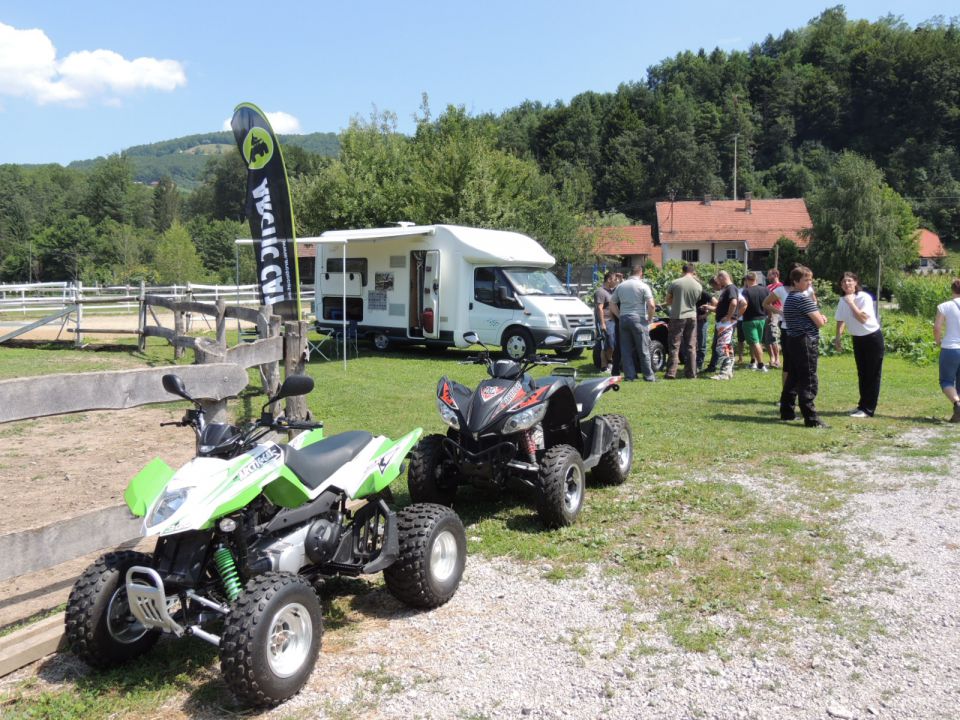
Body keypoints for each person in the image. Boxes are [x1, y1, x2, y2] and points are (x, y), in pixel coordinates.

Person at [780, 266, 828, 428]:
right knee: (808, 378)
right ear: (795, 281)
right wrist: (822, 318)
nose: (809, 283)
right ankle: (811, 418)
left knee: (793, 378)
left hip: (793, 340)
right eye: (806, 280)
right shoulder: (802, 299)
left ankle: (787, 412)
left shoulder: (790, 298)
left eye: (810, 280)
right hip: (805, 341)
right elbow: (820, 322)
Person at [833, 272, 884, 418]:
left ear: (856, 282)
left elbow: (862, 319)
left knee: (872, 375)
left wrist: (851, 302)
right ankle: (862, 406)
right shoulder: (842, 300)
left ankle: (868, 409)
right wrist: (838, 338)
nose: (847, 284)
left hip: (872, 338)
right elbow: (840, 319)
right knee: (862, 374)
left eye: (849, 281)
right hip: (858, 339)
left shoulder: (864, 297)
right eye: (843, 282)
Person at [610, 265, 657, 382]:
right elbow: (651, 305)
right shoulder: (643, 286)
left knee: (625, 350)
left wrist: (620, 316)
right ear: (640, 273)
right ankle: (648, 376)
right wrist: (650, 318)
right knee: (643, 349)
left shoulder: (620, 286)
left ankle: (630, 376)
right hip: (638, 318)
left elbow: (612, 304)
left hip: (624, 319)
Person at [664, 263, 702, 379]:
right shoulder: (698, 285)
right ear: (693, 271)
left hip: (677, 316)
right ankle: (691, 373)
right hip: (692, 316)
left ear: (683, 271)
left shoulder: (676, 283)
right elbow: (697, 300)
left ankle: (671, 372)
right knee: (691, 345)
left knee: (674, 345)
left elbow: (668, 301)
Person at [933, 278, 960, 423]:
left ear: (952, 290)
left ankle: (957, 403)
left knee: (946, 381)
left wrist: (938, 342)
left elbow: (937, 327)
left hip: (950, 348)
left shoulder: (944, 306)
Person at [703, 271, 739, 375]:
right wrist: (712, 308)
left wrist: (728, 316)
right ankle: (727, 371)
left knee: (723, 347)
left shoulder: (731, 288)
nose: (718, 282)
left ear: (722, 277)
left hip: (726, 324)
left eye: (718, 279)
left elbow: (734, 303)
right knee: (726, 346)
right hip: (724, 323)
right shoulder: (727, 289)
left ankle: (725, 373)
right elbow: (723, 307)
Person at [737, 271, 770, 371]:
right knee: (755, 342)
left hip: (749, 320)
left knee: (754, 342)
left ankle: (761, 365)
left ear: (747, 280)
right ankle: (753, 362)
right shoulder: (765, 290)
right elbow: (769, 304)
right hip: (762, 319)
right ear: (756, 279)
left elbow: (744, 304)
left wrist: (737, 315)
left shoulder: (746, 291)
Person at [594, 272, 618, 372]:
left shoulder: (610, 291)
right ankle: (608, 363)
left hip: (612, 321)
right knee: (608, 344)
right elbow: (599, 308)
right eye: (614, 279)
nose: (616, 282)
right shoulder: (600, 292)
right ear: (609, 280)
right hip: (606, 321)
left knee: (609, 344)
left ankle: (606, 366)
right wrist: (602, 323)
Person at [764, 268, 783, 369]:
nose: (767, 277)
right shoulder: (768, 286)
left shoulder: (780, 286)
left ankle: (777, 359)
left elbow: (776, 299)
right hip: (767, 313)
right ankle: (771, 358)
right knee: (767, 338)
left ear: (775, 275)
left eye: (769, 275)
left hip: (776, 313)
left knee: (773, 335)